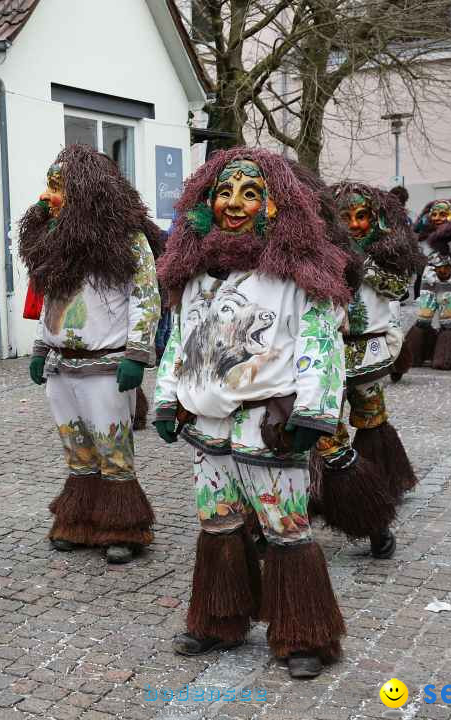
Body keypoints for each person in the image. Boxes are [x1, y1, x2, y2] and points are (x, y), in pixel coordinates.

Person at [153, 148, 350, 678]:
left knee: (286, 528)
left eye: (250, 192)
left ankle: (303, 635)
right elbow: (179, 343)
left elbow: (320, 344)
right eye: (224, 191)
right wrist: (167, 397)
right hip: (206, 425)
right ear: (204, 202)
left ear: (273, 204)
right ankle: (219, 620)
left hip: (268, 423)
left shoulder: (298, 274)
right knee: (217, 525)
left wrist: (313, 411)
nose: (234, 203)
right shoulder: (194, 276)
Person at [20, 145, 160, 565]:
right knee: (77, 448)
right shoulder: (57, 245)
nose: (46, 196)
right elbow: (52, 301)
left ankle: (123, 527)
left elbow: (146, 297)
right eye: (48, 185)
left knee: (112, 447)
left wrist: (137, 353)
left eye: (56, 187)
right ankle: (79, 522)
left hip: (106, 365)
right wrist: (41, 346)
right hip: (62, 366)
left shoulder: (129, 242)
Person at [314, 183, 425, 559]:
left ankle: (376, 496)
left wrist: (363, 263)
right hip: (323, 358)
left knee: (371, 422)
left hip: (368, 354)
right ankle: (318, 498)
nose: (354, 224)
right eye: (346, 216)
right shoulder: (320, 254)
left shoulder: (386, 256)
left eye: (362, 216)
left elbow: (396, 289)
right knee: (325, 431)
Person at [402, 198, 451, 370]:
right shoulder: (424, 238)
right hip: (428, 281)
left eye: (443, 214)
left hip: (449, 284)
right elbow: (418, 256)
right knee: (423, 319)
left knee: (448, 321)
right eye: (434, 214)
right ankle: (419, 354)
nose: (438, 218)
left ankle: (449, 356)